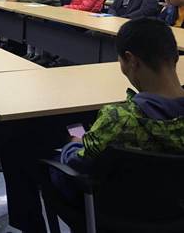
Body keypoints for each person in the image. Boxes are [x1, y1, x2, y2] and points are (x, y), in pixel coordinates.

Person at [57, 18, 184, 181]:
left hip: (120, 195)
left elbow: (78, 161)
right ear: (175, 56)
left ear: (131, 60)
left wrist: (75, 143)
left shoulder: (119, 119)